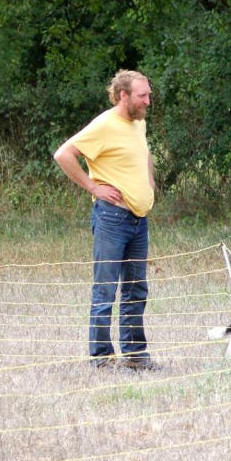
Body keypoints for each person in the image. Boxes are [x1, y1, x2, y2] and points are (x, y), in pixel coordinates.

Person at [52, 69, 158, 371]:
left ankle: (136, 356)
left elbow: (144, 155)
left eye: (149, 94)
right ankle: (100, 357)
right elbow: (64, 155)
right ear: (123, 95)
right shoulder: (104, 124)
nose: (148, 101)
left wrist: (148, 184)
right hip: (112, 218)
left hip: (139, 220)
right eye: (142, 96)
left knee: (137, 289)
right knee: (105, 290)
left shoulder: (139, 123)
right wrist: (92, 186)